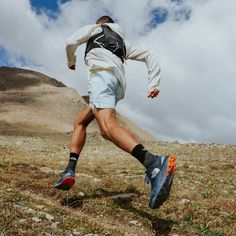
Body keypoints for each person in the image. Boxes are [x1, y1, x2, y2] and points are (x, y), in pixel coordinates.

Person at [55, 15, 176, 209]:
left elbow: (71, 42)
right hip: (117, 84)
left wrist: (71, 60)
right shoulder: (122, 42)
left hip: (101, 76)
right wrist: (154, 83)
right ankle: (69, 170)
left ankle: (154, 164)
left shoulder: (96, 29)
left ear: (100, 23)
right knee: (81, 121)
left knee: (108, 128)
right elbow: (148, 56)